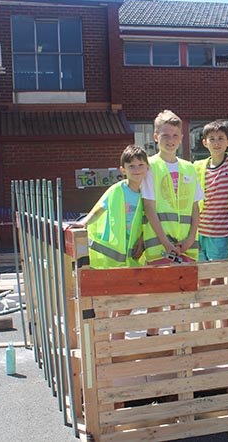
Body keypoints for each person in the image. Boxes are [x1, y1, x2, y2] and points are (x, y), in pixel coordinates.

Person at [72, 145, 149, 340]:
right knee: (106, 303)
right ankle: (103, 344)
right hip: (110, 256)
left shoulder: (147, 193)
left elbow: (147, 220)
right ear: (123, 169)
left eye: (141, 165)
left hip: (131, 257)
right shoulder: (117, 190)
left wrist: (142, 240)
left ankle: (117, 342)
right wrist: (82, 224)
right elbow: (99, 209)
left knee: (126, 304)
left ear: (147, 167)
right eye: (131, 166)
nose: (137, 169)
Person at [142, 110, 203, 336]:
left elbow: (195, 208)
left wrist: (190, 238)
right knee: (156, 297)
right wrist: (165, 242)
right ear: (156, 136)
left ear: (182, 137)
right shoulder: (149, 166)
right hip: (159, 246)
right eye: (165, 135)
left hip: (187, 245)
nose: (170, 140)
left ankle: (179, 342)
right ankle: (153, 341)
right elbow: (149, 208)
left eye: (175, 135)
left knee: (181, 297)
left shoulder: (189, 167)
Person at [194, 121, 228, 329]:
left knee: (218, 280)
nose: (216, 143)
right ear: (204, 142)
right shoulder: (198, 166)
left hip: (221, 230)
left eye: (221, 138)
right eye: (212, 139)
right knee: (202, 282)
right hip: (200, 231)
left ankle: (224, 328)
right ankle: (208, 329)